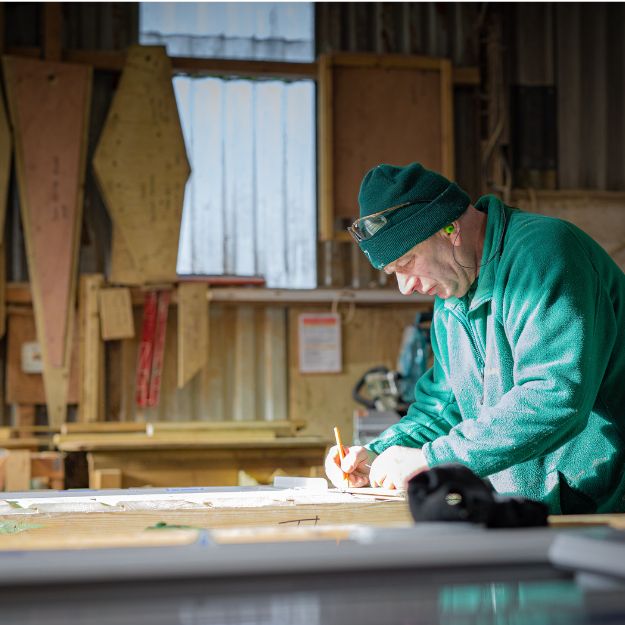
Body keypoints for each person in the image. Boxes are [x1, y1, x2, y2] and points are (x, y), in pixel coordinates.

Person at [325, 162, 625, 514]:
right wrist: (381, 451)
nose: (406, 287)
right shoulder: (453, 294)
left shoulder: (544, 255)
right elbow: (445, 406)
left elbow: (554, 396)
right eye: (393, 273)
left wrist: (432, 458)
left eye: (406, 263)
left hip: (605, 505)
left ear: (448, 229)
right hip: (528, 508)